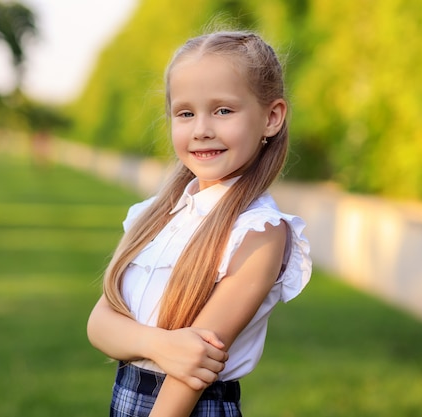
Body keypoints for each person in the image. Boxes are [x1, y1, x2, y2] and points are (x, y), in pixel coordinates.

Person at [87, 30, 312, 417]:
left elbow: (192, 370)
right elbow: (99, 324)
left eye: (223, 110)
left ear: (271, 117)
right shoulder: (155, 215)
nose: (201, 129)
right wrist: (160, 345)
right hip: (127, 400)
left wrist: (137, 341)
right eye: (186, 113)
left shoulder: (258, 231)